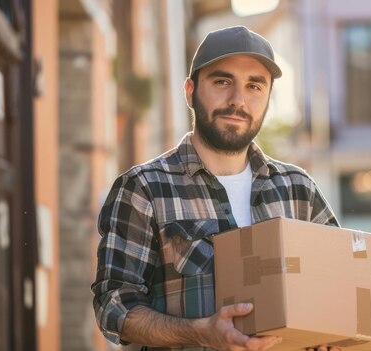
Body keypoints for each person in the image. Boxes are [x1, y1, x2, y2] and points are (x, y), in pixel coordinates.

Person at [91, 25, 339, 351]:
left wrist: (329, 337)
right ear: (190, 91)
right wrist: (199, 331)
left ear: (267, 99)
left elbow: (336, 289)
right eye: (222, 82)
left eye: (254, 86)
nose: (237, 100)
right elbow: (113, 305)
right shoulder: (144, 189)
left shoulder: (299, 190)